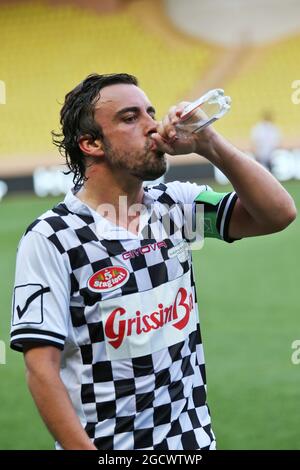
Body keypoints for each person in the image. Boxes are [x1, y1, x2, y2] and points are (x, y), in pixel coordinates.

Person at [10, 73, 296, 450]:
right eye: (130, 118)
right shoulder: (52, 237)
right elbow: (40, 370)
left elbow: (277, 214)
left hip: (192, 445)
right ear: (91, 143)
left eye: (151, 113)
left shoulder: (175, 204)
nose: (153, 126)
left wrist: (208, 143)